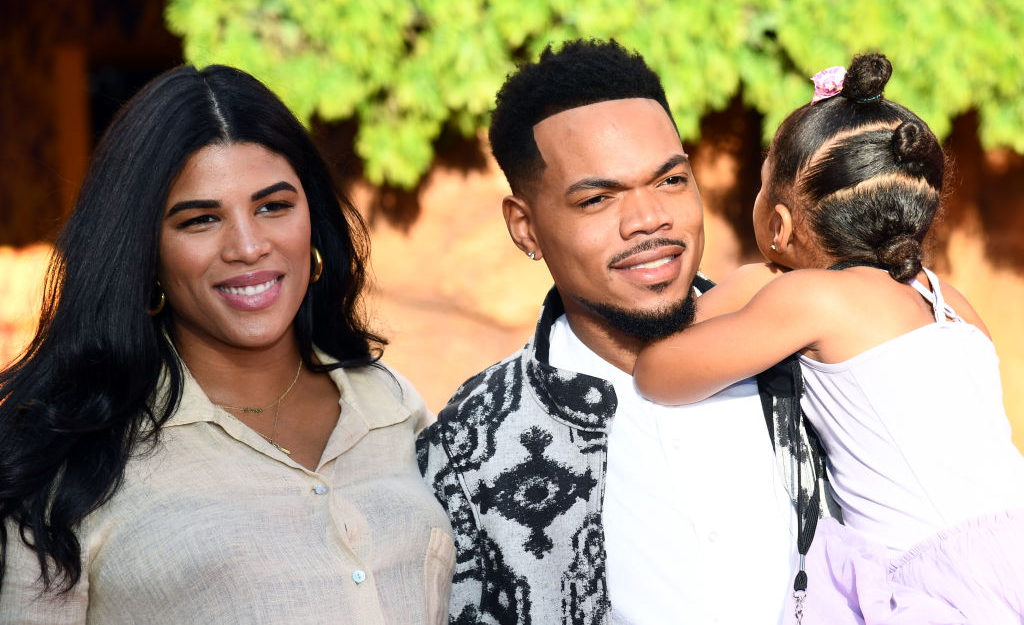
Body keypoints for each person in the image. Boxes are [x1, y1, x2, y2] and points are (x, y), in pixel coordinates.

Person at [0, 64, 454, 624]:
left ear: (312, 218)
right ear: (145, 253)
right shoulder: (66, 461)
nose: (247, 246)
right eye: (200, 219)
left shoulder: (390, 406)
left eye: (273, 207)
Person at [417, 39, 839, 625]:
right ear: (525, 227)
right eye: (597, 198)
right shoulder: (472, 446)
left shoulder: (817, 356)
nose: (649, 219)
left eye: (669, 181)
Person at [635, 53, 1024, 623]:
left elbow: (659, 372)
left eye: (763, 183)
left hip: (937, 582)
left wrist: (753, 279)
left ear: (780, 225)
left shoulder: (808, 297)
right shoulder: (950, 302)